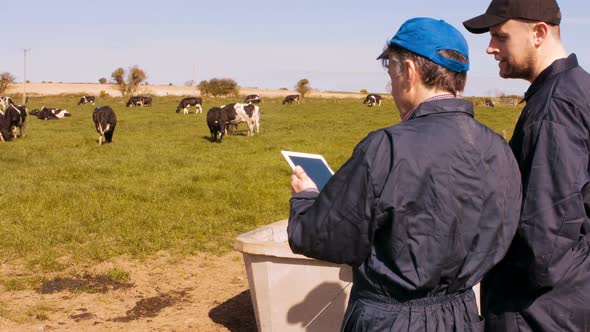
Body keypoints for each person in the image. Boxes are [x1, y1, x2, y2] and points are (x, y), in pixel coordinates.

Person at [287, 17, 522, 331]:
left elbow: (325, 239)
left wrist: (306, 200)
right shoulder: (498, 148)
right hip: (464, 315)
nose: (391, 82)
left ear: (408, 71)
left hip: (390, 319)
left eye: (390, 69)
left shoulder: (386, 148)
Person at [463, 1, 590, 331]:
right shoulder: (579, 88)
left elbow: (543, 248)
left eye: (501, 36)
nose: (490, 48)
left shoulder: (554, 109)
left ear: (539, 32)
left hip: (538, 311)